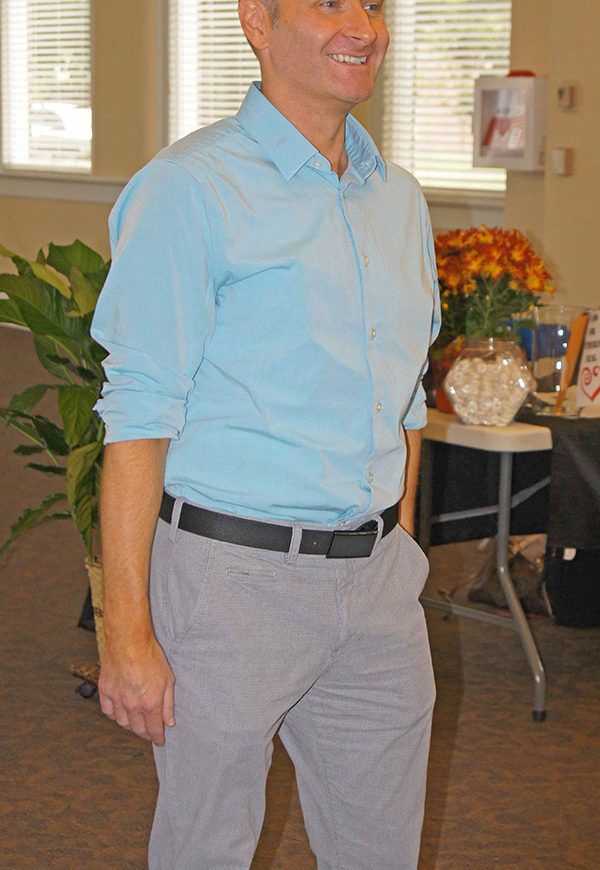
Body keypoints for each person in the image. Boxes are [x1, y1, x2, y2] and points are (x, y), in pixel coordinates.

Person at [91, 0, 441, 867]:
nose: (362, 26)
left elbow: (405, 401)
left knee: (380, 853)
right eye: (328, 2)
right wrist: (125, 632)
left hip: (377, 587)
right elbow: (137, 418)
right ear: (257, 19)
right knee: (205, 850)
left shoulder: (398, 199)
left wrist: (398, 543)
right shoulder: (190, 188)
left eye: (373, 4)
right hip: (231, 581)